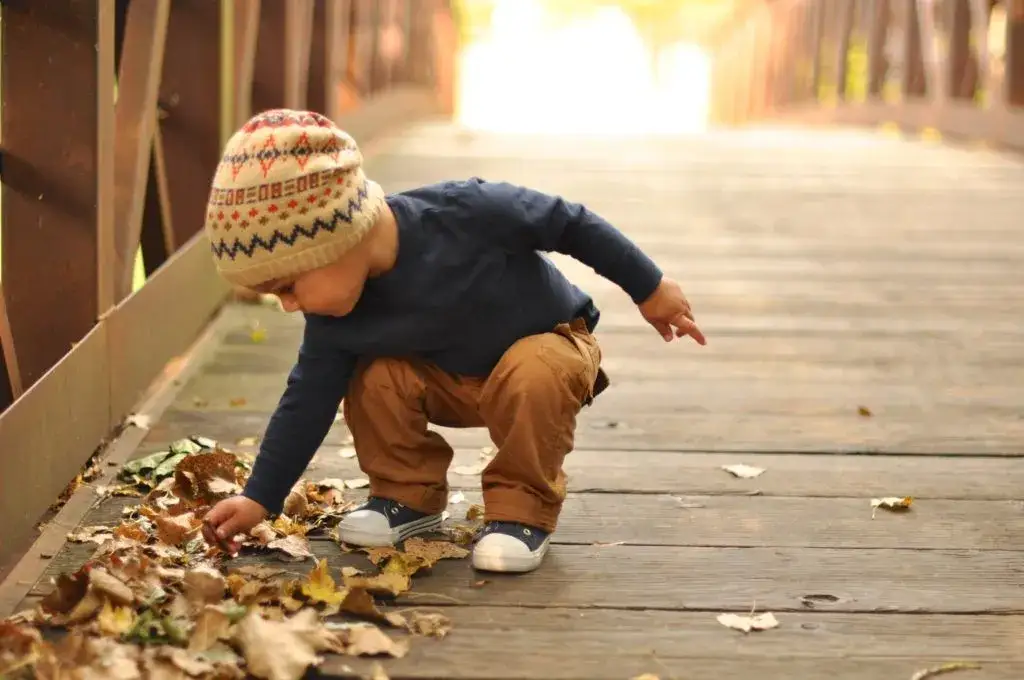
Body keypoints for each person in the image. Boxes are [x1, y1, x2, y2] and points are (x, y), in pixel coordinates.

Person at [201, 109, 705, 573]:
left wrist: (649, 286)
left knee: (537, 367)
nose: (289, 305)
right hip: (445, 378)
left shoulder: (465, 211)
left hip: (548, 350)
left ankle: (520, 512)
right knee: (374, 375)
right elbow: (305, 400)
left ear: (338, 237)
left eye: (287, 286)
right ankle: (406, 497)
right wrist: (259, 499)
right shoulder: (335, 318)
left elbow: (567, 222)